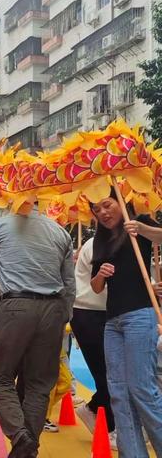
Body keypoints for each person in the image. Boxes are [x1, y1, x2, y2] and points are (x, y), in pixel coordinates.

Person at [0, 208, 75, 457]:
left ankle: (20, 436)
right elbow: (69, 284)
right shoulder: (60, 231)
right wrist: (63, 315)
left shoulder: (3, 225)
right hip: (52, 309)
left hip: (16, 306)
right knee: (39, 384)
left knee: (1, 376)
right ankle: (27, 448)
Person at [90, 190, 162, 456]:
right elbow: (96, 287)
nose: (103, 213)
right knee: (118, 392)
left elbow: (161, 236)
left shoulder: (140, 222)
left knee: (142, 389)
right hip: (113, 322)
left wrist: (141, 227)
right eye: (97, 210)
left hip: (140, 315)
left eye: (107, 205)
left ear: (121, 202)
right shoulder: (100, 240)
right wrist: (100, 274)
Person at [70, 237, 116, 446]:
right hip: (88, 312)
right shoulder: (96, 244)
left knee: (116, 373)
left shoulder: (127, 241)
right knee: (106, 373)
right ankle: (112, 426)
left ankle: (93, 408)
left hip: (114, 312)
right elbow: (104, 283)